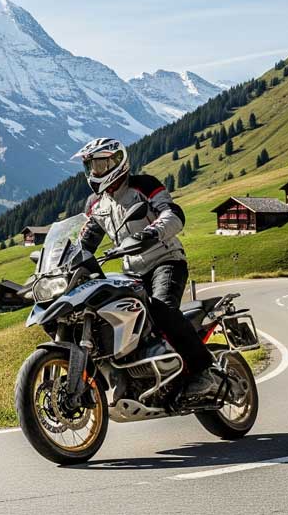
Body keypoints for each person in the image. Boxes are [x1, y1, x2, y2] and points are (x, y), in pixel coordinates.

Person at [72, 137, 220, 400]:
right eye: (91, 167)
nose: (95, 172)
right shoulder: (96, 204)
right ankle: (142, 375)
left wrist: (151, 233)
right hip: (131, 273)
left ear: (117, 162)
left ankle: (203, 371)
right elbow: (85, 243)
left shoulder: (144, 185)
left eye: (100, 164)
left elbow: (172, 214)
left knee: (161, 309)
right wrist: (65, 261)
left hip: (166, 261)